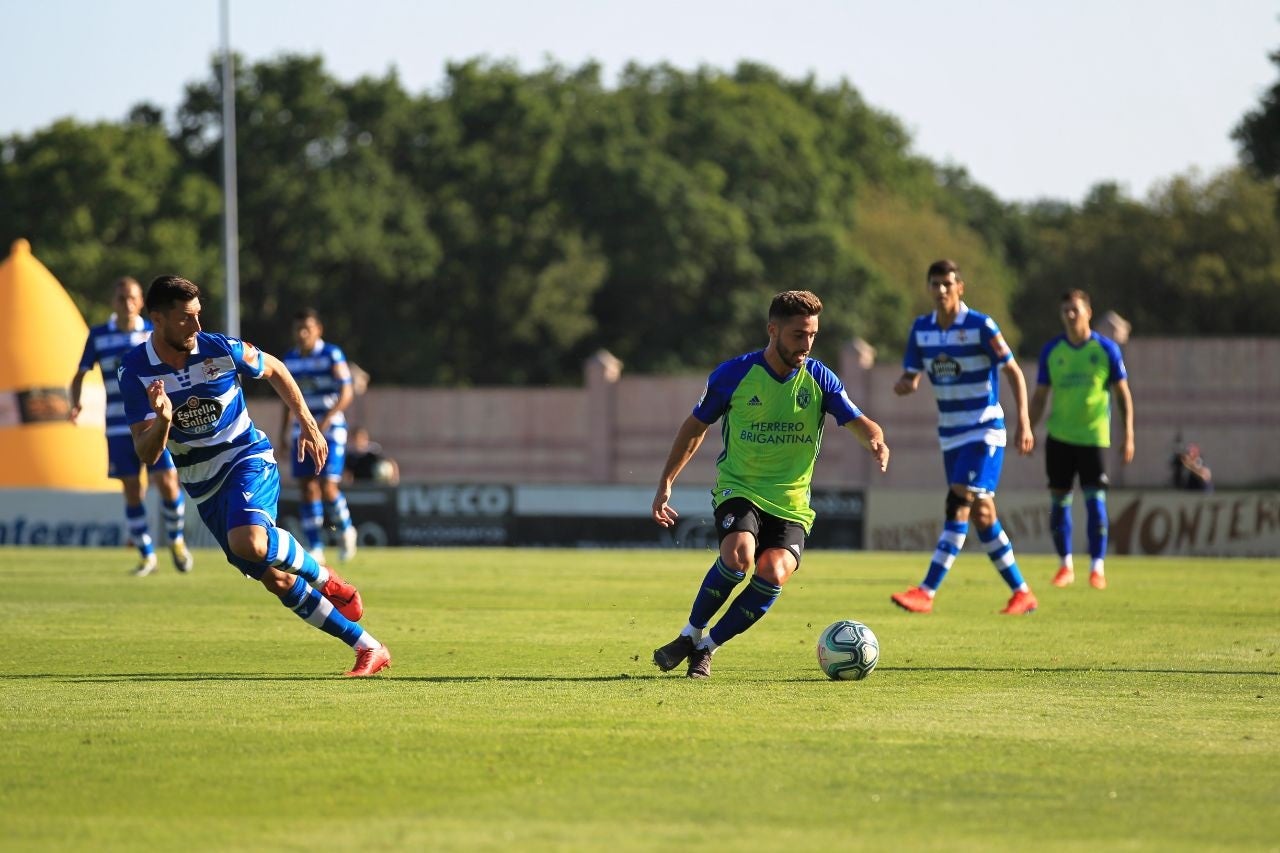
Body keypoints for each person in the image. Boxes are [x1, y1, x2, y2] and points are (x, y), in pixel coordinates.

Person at [117, 276, 390, 677]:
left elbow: (276, 368)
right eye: (184, 319)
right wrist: (162, 420)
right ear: (156, 318)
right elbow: (147, 451)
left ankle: (323, 575)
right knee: (276, 581)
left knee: (249, 540)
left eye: (198, 316)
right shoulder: (135, 370)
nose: (195, 327)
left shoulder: (219, 349)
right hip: (202, 485)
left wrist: (307, 422)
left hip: (247, 457)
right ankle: (368, 647)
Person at [650, 290, 890, 679]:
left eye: (812, 335)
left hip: (792, 502)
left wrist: (876, 441)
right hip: (739, 488)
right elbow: (695, 428)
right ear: (773, 330)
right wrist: (666, 482)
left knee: (774, 571)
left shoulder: (819, 377)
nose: (806, 344)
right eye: (798, 335)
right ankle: (688, 633)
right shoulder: (734, 374)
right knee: (739, 555)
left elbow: (861, 423)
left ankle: (705, 647)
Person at [890, 259, 1038, 615]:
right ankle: (1022, 592)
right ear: (928, 289)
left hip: (984, 430)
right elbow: (912, 374)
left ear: (960, 287)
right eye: (935, 284)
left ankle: (926, 590)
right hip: (951, 436)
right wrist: (906, 384)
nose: (941, 290)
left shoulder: (980, 325)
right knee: (983, 515)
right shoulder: (921, 330)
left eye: (947, 284)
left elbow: (1013, 372)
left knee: (958, 502)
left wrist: (1025, 422)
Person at [70, 276, 193, 576]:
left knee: (166, 482)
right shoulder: (99, 335)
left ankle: (176, 540)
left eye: (132, 297)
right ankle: (147, 555)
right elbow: (80, 373)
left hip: (152, 420)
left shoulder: (153, 332)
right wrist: (75, 403)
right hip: (116, 425)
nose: (126, 303)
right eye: (121, 298)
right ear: (113, 302)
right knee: (132, 489)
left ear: (141, 302)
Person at [1029, 289, 1134, 591]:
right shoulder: (1052, 351)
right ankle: (1065, 565)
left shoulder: (1106, 350)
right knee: (1059, 503)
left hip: (1093, 439)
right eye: (1065, 310)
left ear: (1088, 311)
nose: (1070, 315)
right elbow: (1039, 398)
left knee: (1095, 504)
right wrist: (1028, 428)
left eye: (1075, 309)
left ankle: (1097, 567)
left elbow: (1122, 396)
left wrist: (1128, 435)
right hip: (1059, 438)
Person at [280, 309, 358, 563]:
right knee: (306, 486)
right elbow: (287, 400)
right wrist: (283, 430)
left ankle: (345, 529)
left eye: (307, 329)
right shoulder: (289, 359)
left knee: (327, 485)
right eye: (298, 329)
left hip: (331, 430)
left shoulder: (331, 355)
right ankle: (315, 546)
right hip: (300, 432)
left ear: (318, 330)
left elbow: (346, 393)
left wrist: (324, 421)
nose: (302, 334)